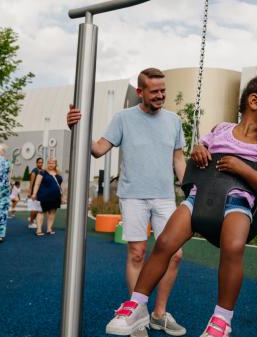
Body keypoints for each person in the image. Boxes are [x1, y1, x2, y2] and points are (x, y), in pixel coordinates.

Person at [104, 76, 257, 337]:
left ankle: (221, 320)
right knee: (165, 242)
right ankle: (137, 304)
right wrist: (200, 149)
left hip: (237, 204)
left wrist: (242, 168)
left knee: (234, 247)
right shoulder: (222, 129)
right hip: (199, 197)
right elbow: (202, 148)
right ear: (254, 101)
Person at [67, 67, 187, 337]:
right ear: (140, 92)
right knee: (137, 253)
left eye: (163, 91)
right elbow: (98, 150)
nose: (160, 96)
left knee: (175, 254)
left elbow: (178, 159)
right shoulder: (123, 118)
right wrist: (77, 127)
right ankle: (136, 316)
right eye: (154, 92)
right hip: (133, 195)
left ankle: (159, 314)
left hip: (165, 196)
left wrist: (191, 189)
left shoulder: (173, 120)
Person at [31, 159, 62, 236]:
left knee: (52, 213)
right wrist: (34, 194)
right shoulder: (42, 172)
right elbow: (37, 184)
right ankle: (38, 230)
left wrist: (62, 195)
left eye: (53, 163)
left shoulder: (58, 174)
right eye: (49, 163)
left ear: (56, 164)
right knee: (41, 212)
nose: (51, 164)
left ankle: (49, 229)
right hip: (43, 196)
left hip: (55, 196)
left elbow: (59, 186)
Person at [26, 157, 43, 229]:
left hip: (41, 192)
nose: (40, 164)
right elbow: (31, 183)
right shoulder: (34, 171)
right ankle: (31, 223)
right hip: (34, 192)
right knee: (34, 208)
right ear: (36, 163)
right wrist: (30, 193)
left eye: (42, 162)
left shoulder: (42, 171)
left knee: (38, 208)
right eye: (39, 162)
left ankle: (32, 219)